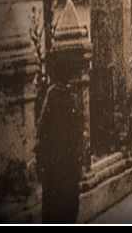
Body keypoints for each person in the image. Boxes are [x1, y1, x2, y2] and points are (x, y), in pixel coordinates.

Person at [35, 77, 82, 222]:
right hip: (68, 161)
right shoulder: (71, 96)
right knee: (69, 205)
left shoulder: (52, 95)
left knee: (53, 206)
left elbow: (41, 128)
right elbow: (78, 130)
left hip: (54, 162)